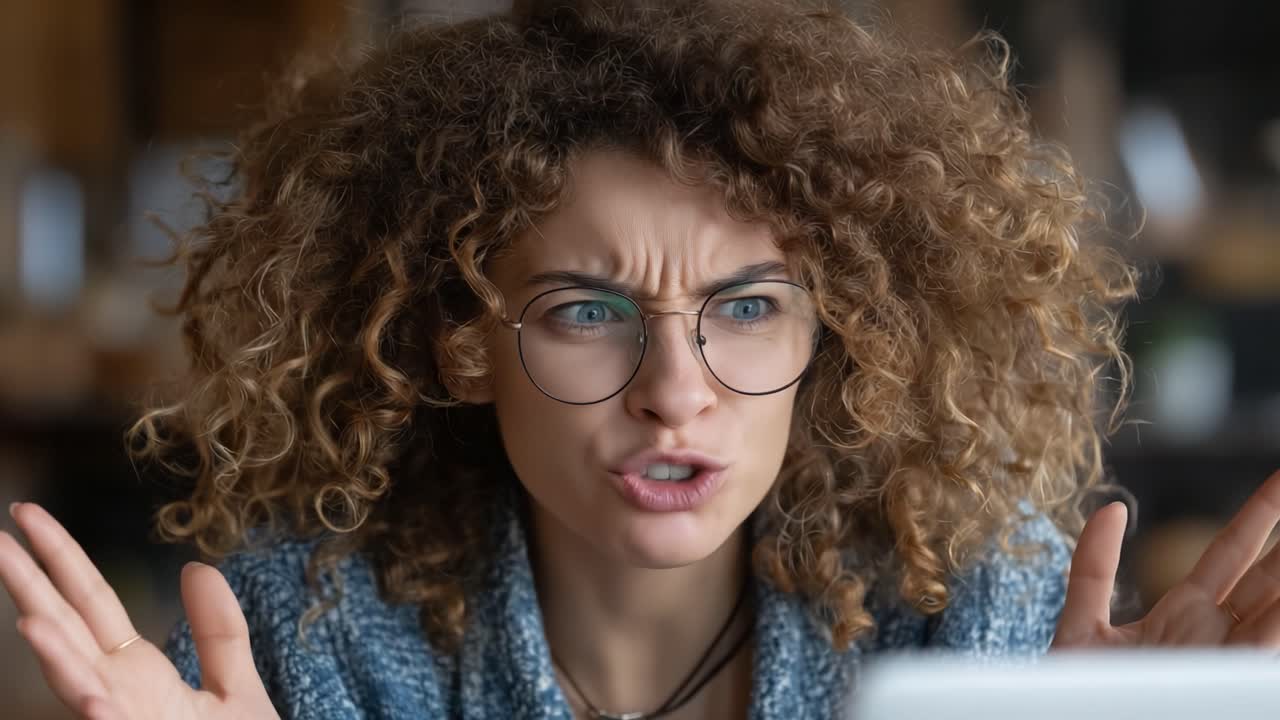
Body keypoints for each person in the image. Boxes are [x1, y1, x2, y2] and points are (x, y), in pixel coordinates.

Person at [2, 1, 1278, 718]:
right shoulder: (300, 645)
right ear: (459, 345)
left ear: (832, 337)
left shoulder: (989, 627)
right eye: (586, 313)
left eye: (747, 310)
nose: (677, 393)